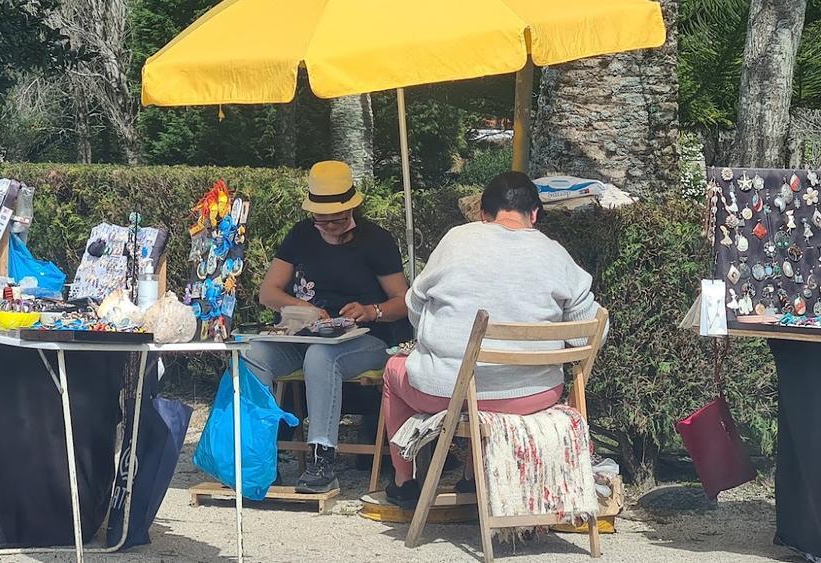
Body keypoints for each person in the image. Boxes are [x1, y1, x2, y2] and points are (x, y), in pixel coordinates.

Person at [381, 171, 603, 507]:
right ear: (535, 215)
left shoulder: (457, 239)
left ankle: (404, 481)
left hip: (446, 394)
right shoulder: (555, 254)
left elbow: (414, 307)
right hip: (533, 396)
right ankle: (472, 479)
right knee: (479, 376)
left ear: (483, 214)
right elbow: (592, 330)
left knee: (394, 370)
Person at [247, 160, 409, 493]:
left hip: (366, 338)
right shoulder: (301, 236)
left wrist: (371, 310)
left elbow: (403, 301)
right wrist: (305, 309)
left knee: (321, 358)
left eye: (336, 219)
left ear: (352, 208)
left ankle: (322, 458)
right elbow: (269, 292)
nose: (330, 226)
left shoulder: (375, 240)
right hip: (306, 333)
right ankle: (258, 456)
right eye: (322, 219)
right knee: (252, 354)